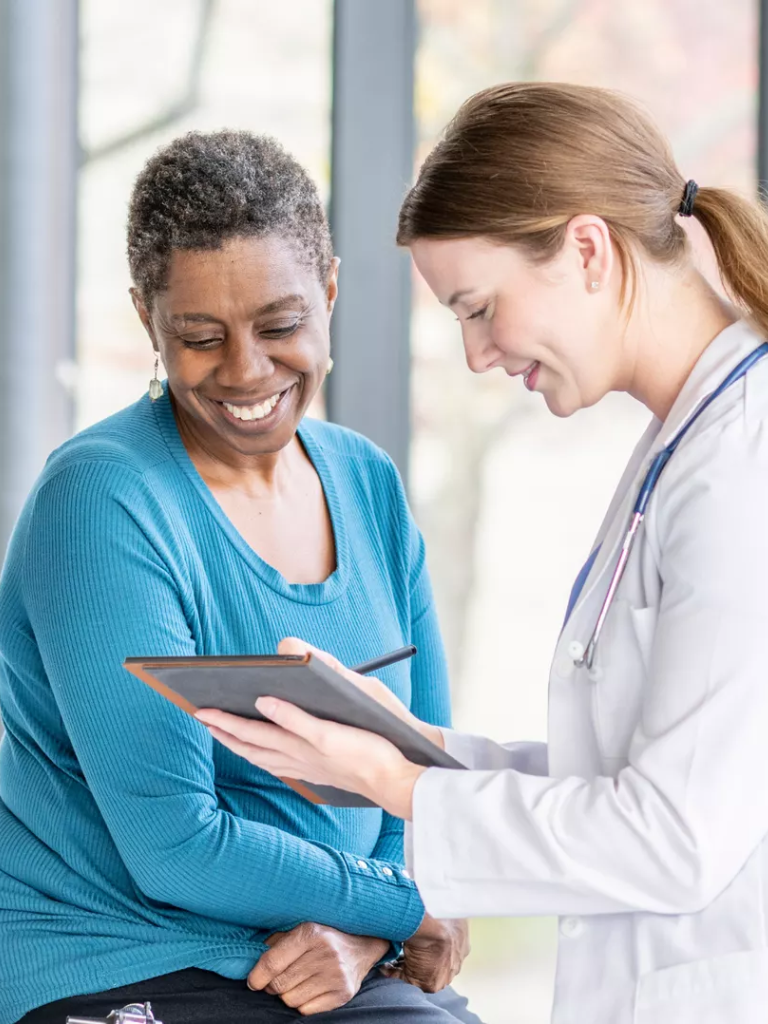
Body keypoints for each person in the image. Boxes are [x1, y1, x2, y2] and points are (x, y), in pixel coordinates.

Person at [195, 84, 768, 1024]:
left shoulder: (742, 464)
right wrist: (409, 748)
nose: (476, 354)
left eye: (478, 307)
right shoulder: (683, 445)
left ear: (588, 249)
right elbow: (622, 774)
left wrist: (399, 784)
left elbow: (671, 839)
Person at [0, 130, 481, 1024]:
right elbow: (174, 845)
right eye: (199, 336)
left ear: (330, 290)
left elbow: (423, 769)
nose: (247, 370)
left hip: (330, 958)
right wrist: (406, 910)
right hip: (119, 958)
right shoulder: (104, 499)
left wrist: (369, 934)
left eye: (281, 325)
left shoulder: (367, 483)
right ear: (148, 318)